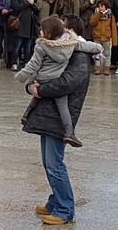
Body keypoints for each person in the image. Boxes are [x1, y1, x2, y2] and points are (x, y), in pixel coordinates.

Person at [22, 16, 94, 225]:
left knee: (55, 164)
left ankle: (65, 209)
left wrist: (40, 89)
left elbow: (68, 83)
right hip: (47, 109)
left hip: (61, 113)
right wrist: (31, 86)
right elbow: (39, 71)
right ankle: (55, 201)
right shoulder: (58, 48)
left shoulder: (78, 54)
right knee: (48, 162)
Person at [15, 15, 101, 146]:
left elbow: (33, 65)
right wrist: (99, 48)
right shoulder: (70, 45)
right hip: (56, 78)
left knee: (37, 94)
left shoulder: (41, 45)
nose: (40, 32)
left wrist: (21, 77)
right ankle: (69, 132)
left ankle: (27, 114)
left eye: (42, 30)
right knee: (63, 108)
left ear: (48, 33)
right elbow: (87, 46)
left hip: (42, 78)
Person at [88, 0, 118, 75]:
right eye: (99, 6)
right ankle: (97, 68)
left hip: (106, 37)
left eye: (102, 6)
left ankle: (107, 68)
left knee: (107, 53)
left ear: (106, 7)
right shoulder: (96, 14)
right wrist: (98, 14)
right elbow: (92, 23)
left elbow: (113, 28)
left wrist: (114, 40)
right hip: (97, 36)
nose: (100, 8)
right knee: (97, 53)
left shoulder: (110, 15)